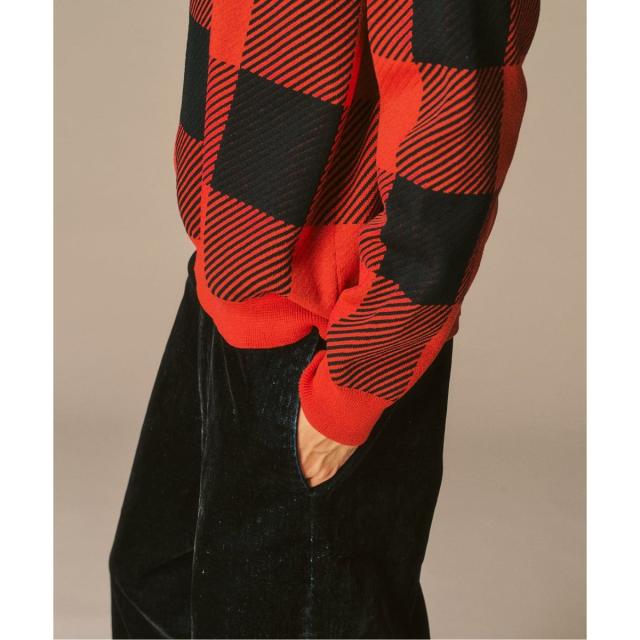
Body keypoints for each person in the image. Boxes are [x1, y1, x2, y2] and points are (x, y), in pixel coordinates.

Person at [108, 1, 540, 637]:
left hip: (330, 326)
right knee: (154, 585)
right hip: (232, 279)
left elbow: (450, 123)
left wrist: (355, 382)